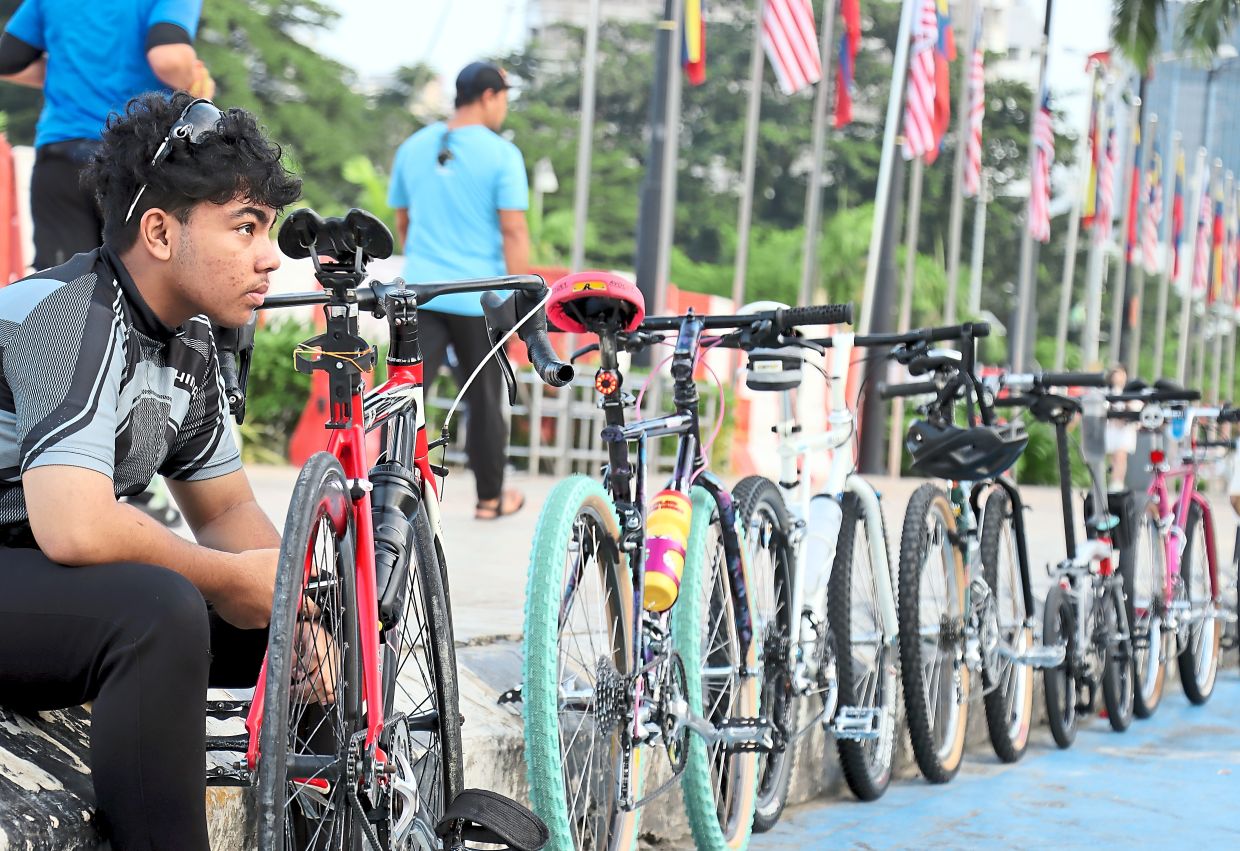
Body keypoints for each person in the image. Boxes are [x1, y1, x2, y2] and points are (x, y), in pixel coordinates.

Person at [0, 91, 300, 850]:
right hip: (22, 563)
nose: (270, 256)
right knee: (159, 610)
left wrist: (297, 609)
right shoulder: (69, 313)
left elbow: (227, 512)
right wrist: (231, 580)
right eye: (246, 227)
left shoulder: (188, 341)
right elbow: (76, 527)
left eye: (269, 230)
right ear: (161, 232)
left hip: (33, 581)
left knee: (302, 623)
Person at [0, 0, 216, 527]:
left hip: (59, 157)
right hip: (133, 162)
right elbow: (168, 57)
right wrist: (198, 85)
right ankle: (130, 478)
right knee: (142, 307)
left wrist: (68, 72)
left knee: (59, 308)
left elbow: (7, 56)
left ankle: (42, 470)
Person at [388, 60, 530, 520]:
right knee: (484, 401)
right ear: (489, 96)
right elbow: (513, 231)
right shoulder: (503, 155)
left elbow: (404, 223)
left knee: (405, 396)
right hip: (479, 298)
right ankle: (490, 499)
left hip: (421, 294)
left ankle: (389, 495)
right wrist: (523, 303)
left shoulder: (413, 146)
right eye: (504, 98)